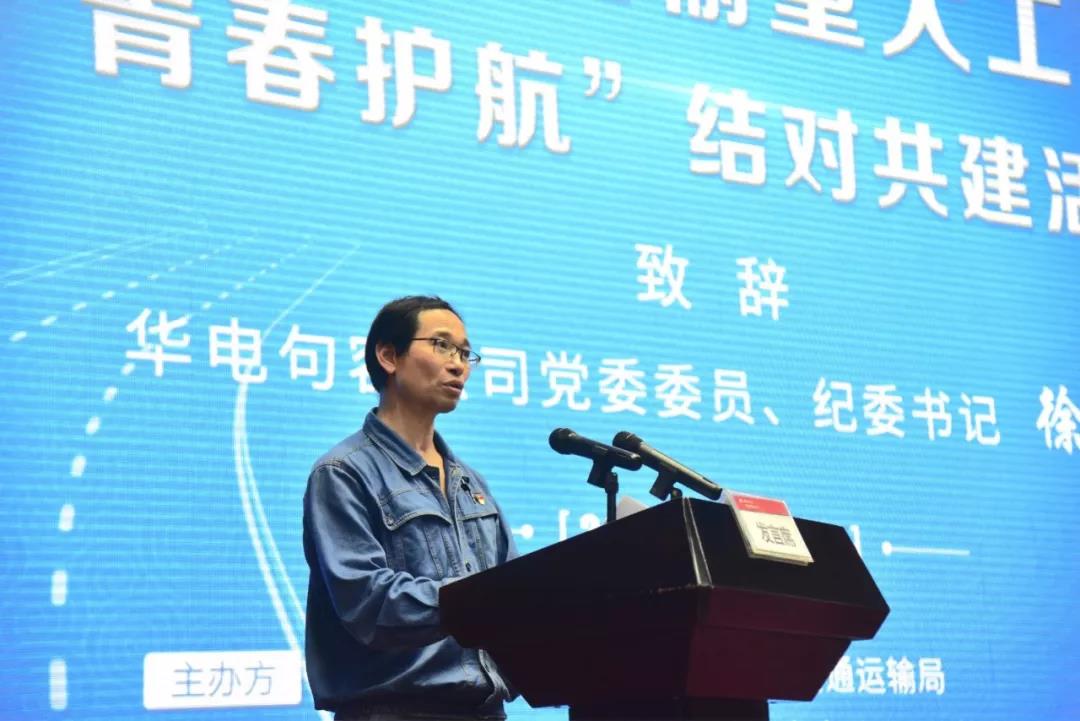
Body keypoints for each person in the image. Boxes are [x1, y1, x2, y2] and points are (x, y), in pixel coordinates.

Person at [303, 296, 519, 720]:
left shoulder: (471, 482)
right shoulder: (343, 472)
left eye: (465, 353)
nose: (458, 365)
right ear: (388, 356)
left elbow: (511, 591)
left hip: (485, 710)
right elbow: (368, 601)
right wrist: (476, 600)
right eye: (441, 345)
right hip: (394, 710)